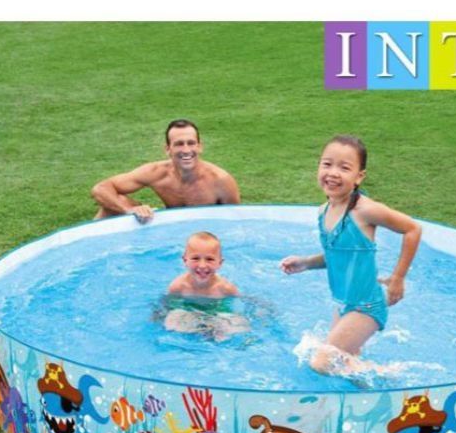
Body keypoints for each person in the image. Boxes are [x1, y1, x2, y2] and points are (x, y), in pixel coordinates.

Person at [280, 135, 422, 377]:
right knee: (344, 363)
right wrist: (306, 263)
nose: (333, 173)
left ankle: (392, 375)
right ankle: (374, 388)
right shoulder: (324, 211)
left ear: (359, 177)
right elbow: (336, 257)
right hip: (344, 304)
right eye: (327, 164)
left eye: (344, 168)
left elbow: (412, 229)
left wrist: (398, 278)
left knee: (321, 362)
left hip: (367, 306)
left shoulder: (365, 210)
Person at [91, 119, 240, 222]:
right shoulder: (157, 172)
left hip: (205, 237)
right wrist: (128, 210)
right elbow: (101, 188)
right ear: (168, 149)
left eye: (191, 143)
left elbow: (236, 220)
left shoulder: (220, 180)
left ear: (199, 147)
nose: (186, 150)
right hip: (171, 233)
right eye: (179, 144)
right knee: (116, 204)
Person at [164, 232, 250, 342]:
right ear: (185, 261)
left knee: (240, 326)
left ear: (220, 263)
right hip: (191, 313)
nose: (202, 265)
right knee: (171, 321)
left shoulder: (225, 288)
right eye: (195, 258)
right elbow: (166, 305)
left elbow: (245, 301)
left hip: (218, 314)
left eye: (209, 259)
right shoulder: (178, 286)